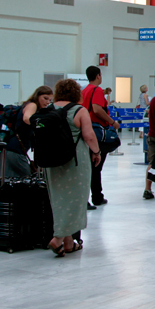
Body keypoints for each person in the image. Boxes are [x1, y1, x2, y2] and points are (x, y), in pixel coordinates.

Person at [42, 79, 101, 257]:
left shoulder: (49, 109)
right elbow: (89, 136)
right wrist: (97, 152)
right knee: (76, 199)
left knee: (59, 199)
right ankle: (58, 238)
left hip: (52, 160)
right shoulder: (79, 110)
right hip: (75, 161)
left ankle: (69, 243)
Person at [82, 66, 119, 208]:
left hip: (86, 130)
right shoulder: (96, 90)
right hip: (97, 131)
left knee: (90, 166)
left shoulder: (84, 91)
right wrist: (112, 122)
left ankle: (94, 195)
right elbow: (97, 108)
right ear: (98, 76)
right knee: (96, 166)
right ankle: (96, 196)